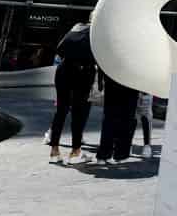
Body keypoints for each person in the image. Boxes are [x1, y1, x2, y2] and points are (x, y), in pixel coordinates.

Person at [49, 24, 98, 163]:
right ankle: (75, 151)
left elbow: (60, 48)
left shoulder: (78, 27)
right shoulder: (97, 33)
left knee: (60, 111)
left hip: (63, 69)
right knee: (79, 112)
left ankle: (54, 151)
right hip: (82, 72)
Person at [96, 69, 138, 164]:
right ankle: (120, 154)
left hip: (113, 76)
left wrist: (100, 78)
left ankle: (105, 154)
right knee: (127, 118)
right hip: (131, 79)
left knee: (110, 118)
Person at [135, 91, 155, 159]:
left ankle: (147, 146)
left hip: (145, 88)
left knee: (146, 116)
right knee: (131, 117)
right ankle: (126, 146)